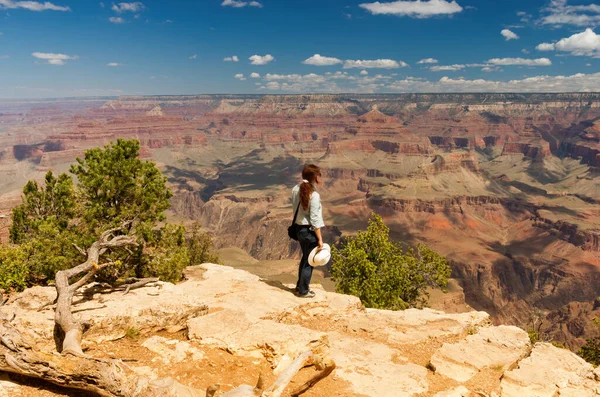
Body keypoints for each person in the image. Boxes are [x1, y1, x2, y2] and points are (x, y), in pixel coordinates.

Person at [291, 164, 325, 298]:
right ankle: (303, 291)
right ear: (315, 177)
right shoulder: (314, 195)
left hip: (298, 229)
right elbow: (315, 220)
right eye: (318, 175)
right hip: (308, 231)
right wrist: (320, 240)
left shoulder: (295, 189)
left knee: (305, 258)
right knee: (309, 262)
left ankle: (300, 286)